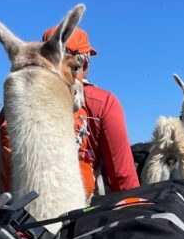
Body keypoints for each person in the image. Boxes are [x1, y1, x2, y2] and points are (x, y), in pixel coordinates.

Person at [40, 25, 140, 193]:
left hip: (16, 213)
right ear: (84, 61)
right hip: (79, 212)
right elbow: (123, 177)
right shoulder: (104, 102)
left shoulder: (21, 98)